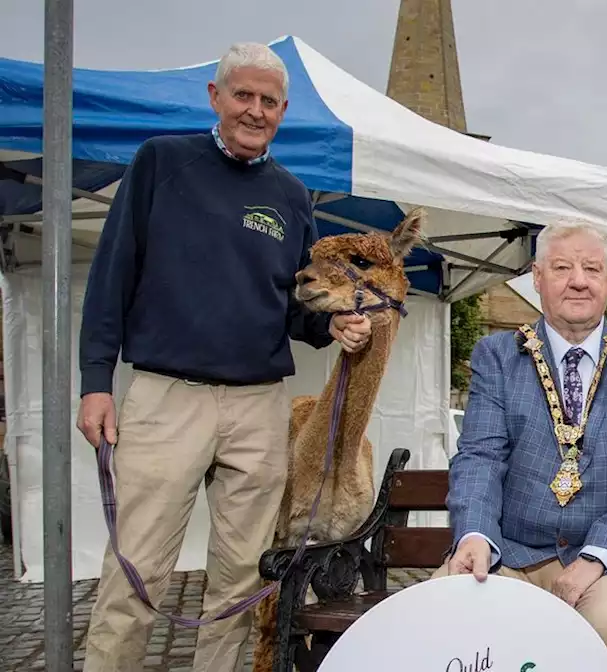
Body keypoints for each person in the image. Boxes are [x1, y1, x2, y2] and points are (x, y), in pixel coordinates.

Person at [75, 43, 373, 672]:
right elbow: (112, 275)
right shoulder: (162, 162)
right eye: (244, 95)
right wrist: (96, 380)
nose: (255, 110)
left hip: (257, 405)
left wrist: (338, 323)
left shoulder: (293, 197)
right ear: (216, 97)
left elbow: (295, 312)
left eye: (268, 101)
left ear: (283, 110)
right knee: (137, 574)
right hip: (166, 395)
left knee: (240, 583)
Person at [435, 220, 607, 672]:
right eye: (563, 267)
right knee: (445, 621)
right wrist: (473, 534)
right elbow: (480, 457)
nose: (578, 280)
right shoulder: (498, 356)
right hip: (509, 552)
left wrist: (596, 557)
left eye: (592, 268)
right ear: (538, 277)